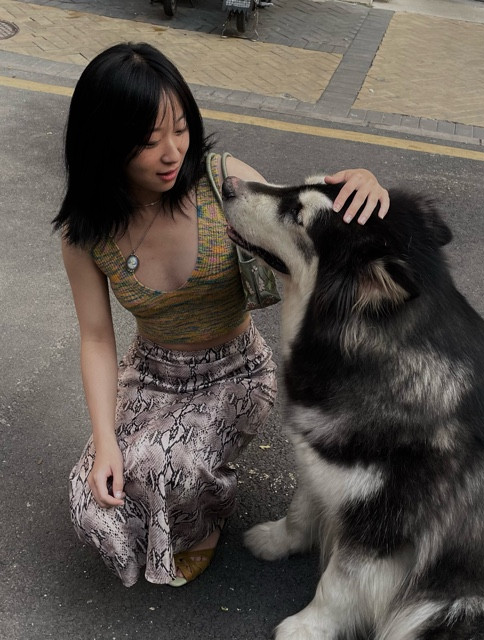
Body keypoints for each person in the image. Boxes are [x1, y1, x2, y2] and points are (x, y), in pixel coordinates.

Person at [52, 42, 390, 588]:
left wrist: (360, 188)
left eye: (181, 129)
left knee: (174, 470)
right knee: (93, 501)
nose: (172, 153)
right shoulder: (85, 232)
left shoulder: (219, 182)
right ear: (104, 142)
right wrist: (104, 441)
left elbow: (298, 220)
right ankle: (174, 486)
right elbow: (96, 338)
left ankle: (207, 517)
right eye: (148, 141)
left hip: (234, 371)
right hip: (151, 373)